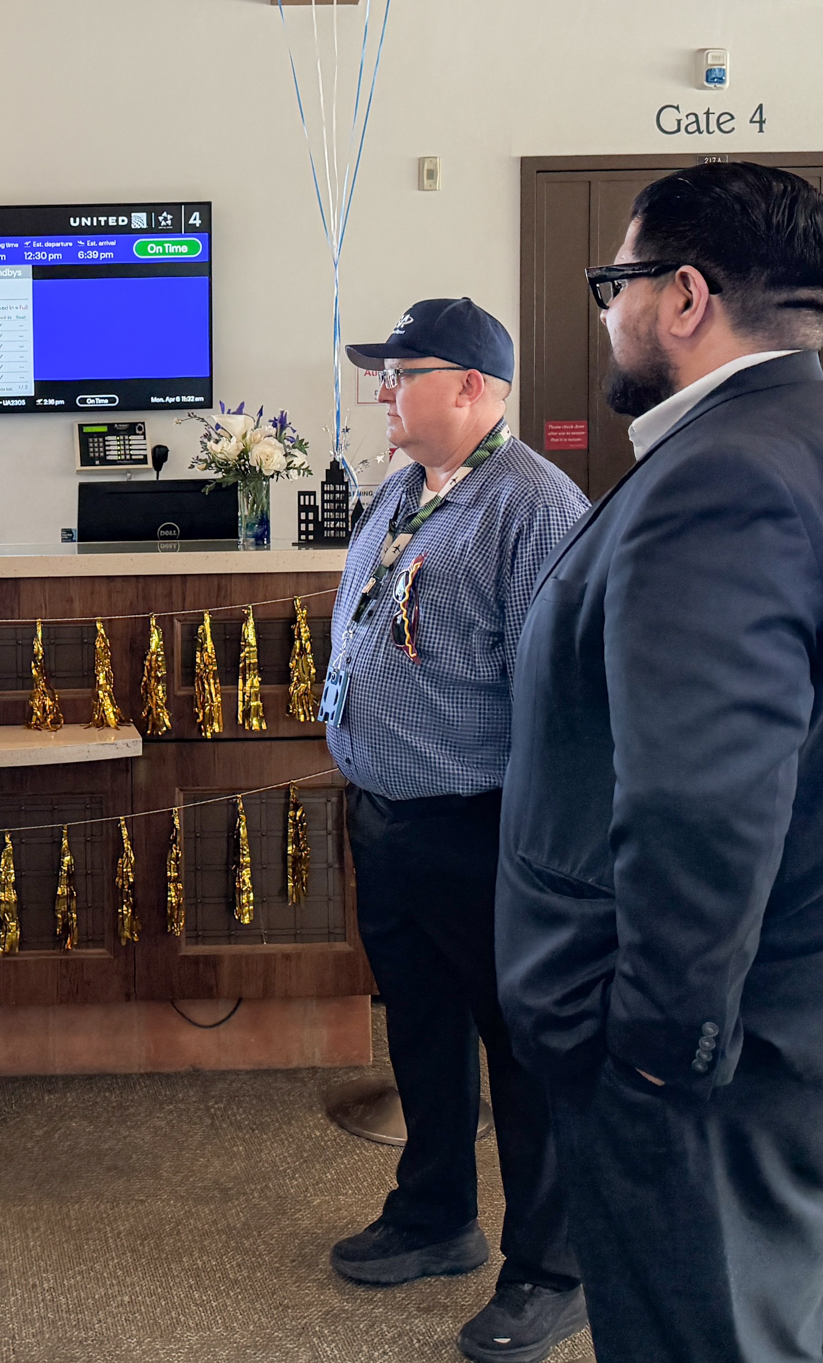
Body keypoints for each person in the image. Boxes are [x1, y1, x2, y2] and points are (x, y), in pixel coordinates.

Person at [496, 163, 823, 1363]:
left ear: (681, 295)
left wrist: (657, 1051)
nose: (608, 313)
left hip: (719, 1056)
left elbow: (701, 800)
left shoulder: (723, 476)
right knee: (786, 1325)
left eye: (615, 284)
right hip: (817, 1009)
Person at [324, 297, 590, 1363]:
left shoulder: (535, 508)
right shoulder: (401, 488)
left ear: (471, 389)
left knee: (520, 1054)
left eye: (401, 374)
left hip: (485, 827)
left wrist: (542, 850)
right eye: (380, 375)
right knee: (421, 1032)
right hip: (387, 819)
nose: (383, 392)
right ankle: (435, 1215)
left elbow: (557, 698)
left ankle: (552, 1266)